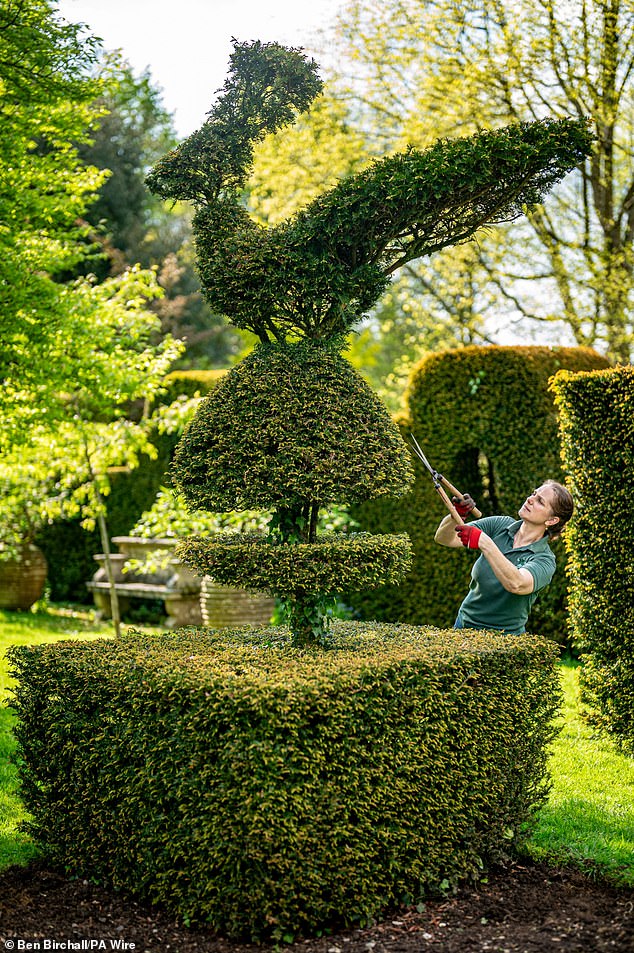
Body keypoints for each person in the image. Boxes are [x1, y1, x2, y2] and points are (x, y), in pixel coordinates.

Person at [434, 481, 574, 635]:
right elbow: (444, 538)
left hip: (504, 638)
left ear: (552, 520)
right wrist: (456, 515)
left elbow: (517, 584)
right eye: (534, 494)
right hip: (463, 626)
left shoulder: (544, 560)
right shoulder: (500, 525)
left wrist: (485, 543)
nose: (530, 499)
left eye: (540, 501)